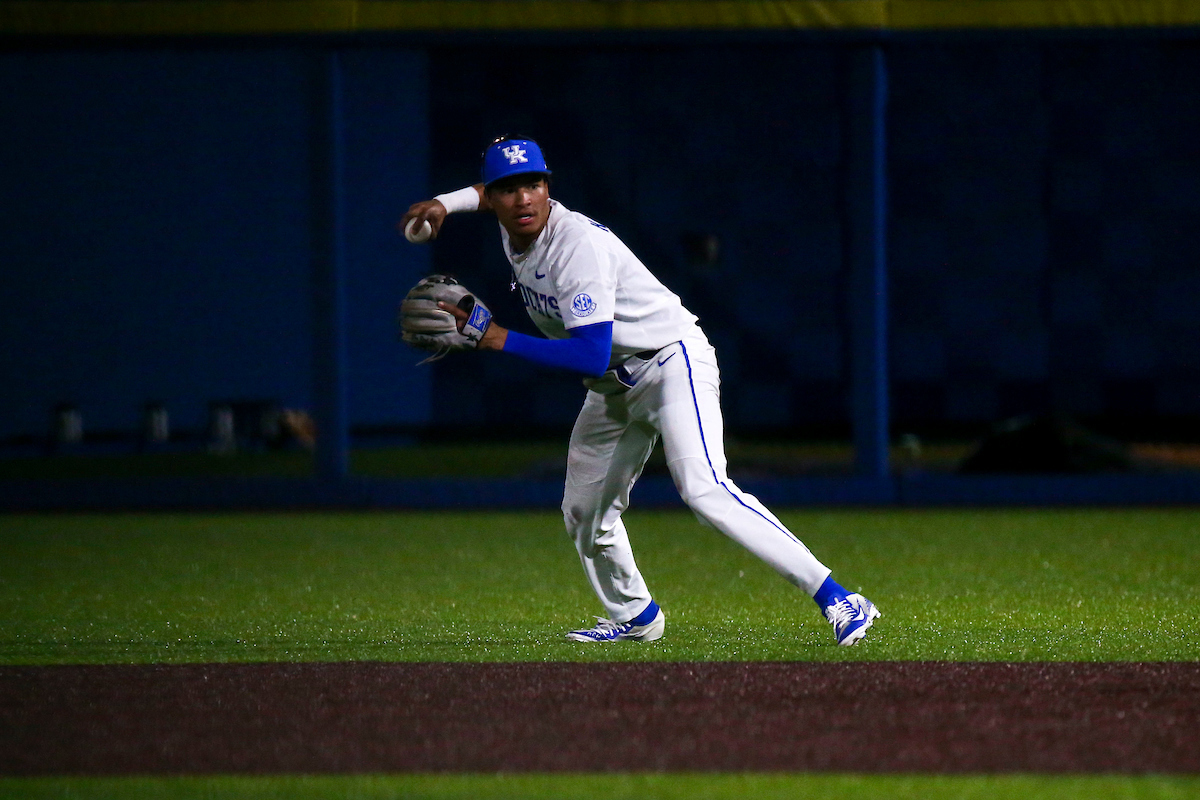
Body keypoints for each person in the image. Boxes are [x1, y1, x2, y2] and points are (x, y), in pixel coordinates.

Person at [401, 135, 880, 646]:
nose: (523, 198)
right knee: (585, 511)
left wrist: (496, 338)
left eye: (534, 184)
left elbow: (586, 351)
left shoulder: (575, 246)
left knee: (704, 490)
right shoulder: (514, 224)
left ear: (548, 188)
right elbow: (484, 189)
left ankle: (838, 596)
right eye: (509, 189)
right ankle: (636, 615)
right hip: (610, 384)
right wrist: (444, 203)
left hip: (671, 361)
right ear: (493, 198)